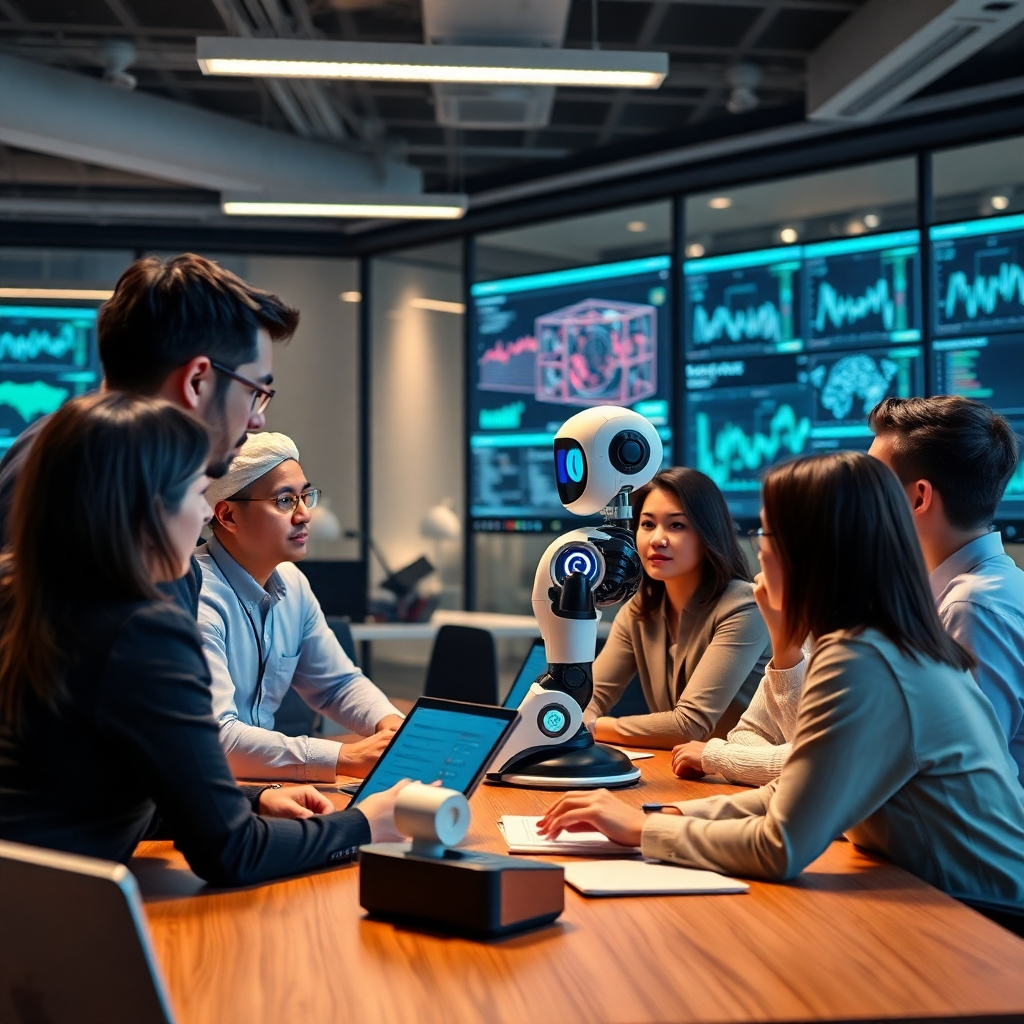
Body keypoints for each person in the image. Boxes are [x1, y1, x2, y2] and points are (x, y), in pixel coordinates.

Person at [538, 452, 1024, 912]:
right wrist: (658, 818)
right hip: (948, 896)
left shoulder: (862, 659)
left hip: (983, 920)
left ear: (806, 551)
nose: (757, 550)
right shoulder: (880, 643)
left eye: (766, 533)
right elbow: (790, 793)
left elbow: (780, 847)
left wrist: (643, 831)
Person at [0, 393, 407, 887]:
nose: (202, 517)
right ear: (145, 508)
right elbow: (232, 853)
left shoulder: (40, 600)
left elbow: (106, 790)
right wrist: (368, 824)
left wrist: (254, 799)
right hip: (57, 924)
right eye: (197, 493)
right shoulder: (141, 632)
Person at [0, 253, 298, 618]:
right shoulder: (101, 484)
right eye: (254, 393)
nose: (256, 422)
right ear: (196, 382)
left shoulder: (67, 451)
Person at [197, 432, 404, 782]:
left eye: (306, 496)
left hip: (262, 787)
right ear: (228, 515)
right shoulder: (195, 595)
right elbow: (217, 738)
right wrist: (346, 756)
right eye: (285, 501)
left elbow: (336, 685)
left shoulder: (292, 583)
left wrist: (393, 727)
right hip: (198, 797)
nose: (305, 514)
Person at [868, 396, 1024, 784]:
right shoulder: (981, 589)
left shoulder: (972, 608)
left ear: (919, 497)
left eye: (873, 483)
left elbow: (948, 781)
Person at [584, 467, 770, 748]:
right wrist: (581, 715)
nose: (657, 539)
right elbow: (592, 695)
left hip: (740, 779)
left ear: (708, 535)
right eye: (647, 524)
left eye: (676, 525)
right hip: (680, 772)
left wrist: (594, 726)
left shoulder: (744, 606)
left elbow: (689, 726)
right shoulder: (640, 609)